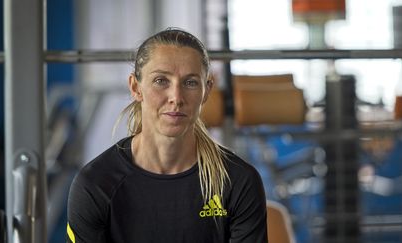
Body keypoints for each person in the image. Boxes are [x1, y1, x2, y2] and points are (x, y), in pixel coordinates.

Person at [66, 28, 268, 243]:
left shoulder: (238, 181)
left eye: (190, 82)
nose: (176, 97)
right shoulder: (96, 184)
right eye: (161, 81)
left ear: (207, 89)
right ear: (136, 87)